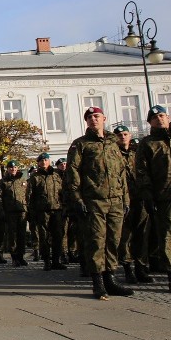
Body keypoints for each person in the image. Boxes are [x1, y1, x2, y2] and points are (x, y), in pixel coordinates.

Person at [65, 106, 132, 300]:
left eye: (96, 116)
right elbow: (73, 173)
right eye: (89, 117)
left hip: (116, 200)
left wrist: (125, 198)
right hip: (93, 200)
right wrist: (76, 198)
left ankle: (110, 278)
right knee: (96, 241)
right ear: (86, 121)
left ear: (104, 118)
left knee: (113, 240)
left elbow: (121, 173)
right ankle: (98, 283)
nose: (93, 120)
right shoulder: (80, 145)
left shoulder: (113, 144)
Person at [136, 105, 171, 293]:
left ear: (168, 117)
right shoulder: (148, 143)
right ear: (150, 122)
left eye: (162, 115)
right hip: (165, 197)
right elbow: (142, 172)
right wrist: (148, 195)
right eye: (154, 117)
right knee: (168, 237)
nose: (159, 119)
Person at [114, 125, 151, 284]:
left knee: (142, 234)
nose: (123, 137)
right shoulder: (113, 154)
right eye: (119, 135)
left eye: (125, 134)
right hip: (123, 199)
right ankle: (128, 268)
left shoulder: (138, 153)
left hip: (140, 198)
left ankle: (141, 268)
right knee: (125, 236)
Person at [26, 153, 66, 271]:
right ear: (38, 163)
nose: (44, 162)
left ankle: (56, 260)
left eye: (46, 160)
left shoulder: (56, 175)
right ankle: (47, 261)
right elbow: (29, 196)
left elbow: (62, 192)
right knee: (44, 237)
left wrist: (65, 206)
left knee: (58, 236)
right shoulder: (35, 177)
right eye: (41, 160)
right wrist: (31, 212)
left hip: (57, 210)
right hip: (42, 211)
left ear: (49, 161)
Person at [0, 160, 29, 266]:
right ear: (8, 169)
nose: (13, 169)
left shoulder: (22, 179)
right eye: (11, 167)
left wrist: (28, 208)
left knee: (22, 235)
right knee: (12, 236)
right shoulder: (3, 182)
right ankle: (14, 257)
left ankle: (21, 257)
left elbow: (27, 195)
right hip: (10, 212)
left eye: (15, 167)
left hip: (22, 211)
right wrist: (2, 212)